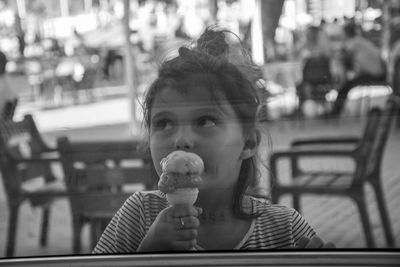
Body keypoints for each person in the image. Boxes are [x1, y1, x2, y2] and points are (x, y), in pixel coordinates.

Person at [93, 28, 334, 253]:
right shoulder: (139, 215)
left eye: (205, 121)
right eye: (163, 123)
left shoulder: (284, 229)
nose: (181, 140)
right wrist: (148, 254)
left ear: (248, 144)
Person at [330, 22, 386, 117]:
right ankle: (336, 111)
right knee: (346, 85)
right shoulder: (362, 41)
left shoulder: (354, 42)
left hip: (374, 75)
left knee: (345, 87)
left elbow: (343, 56)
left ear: (346, 33)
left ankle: (335, 113)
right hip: (380, 73)